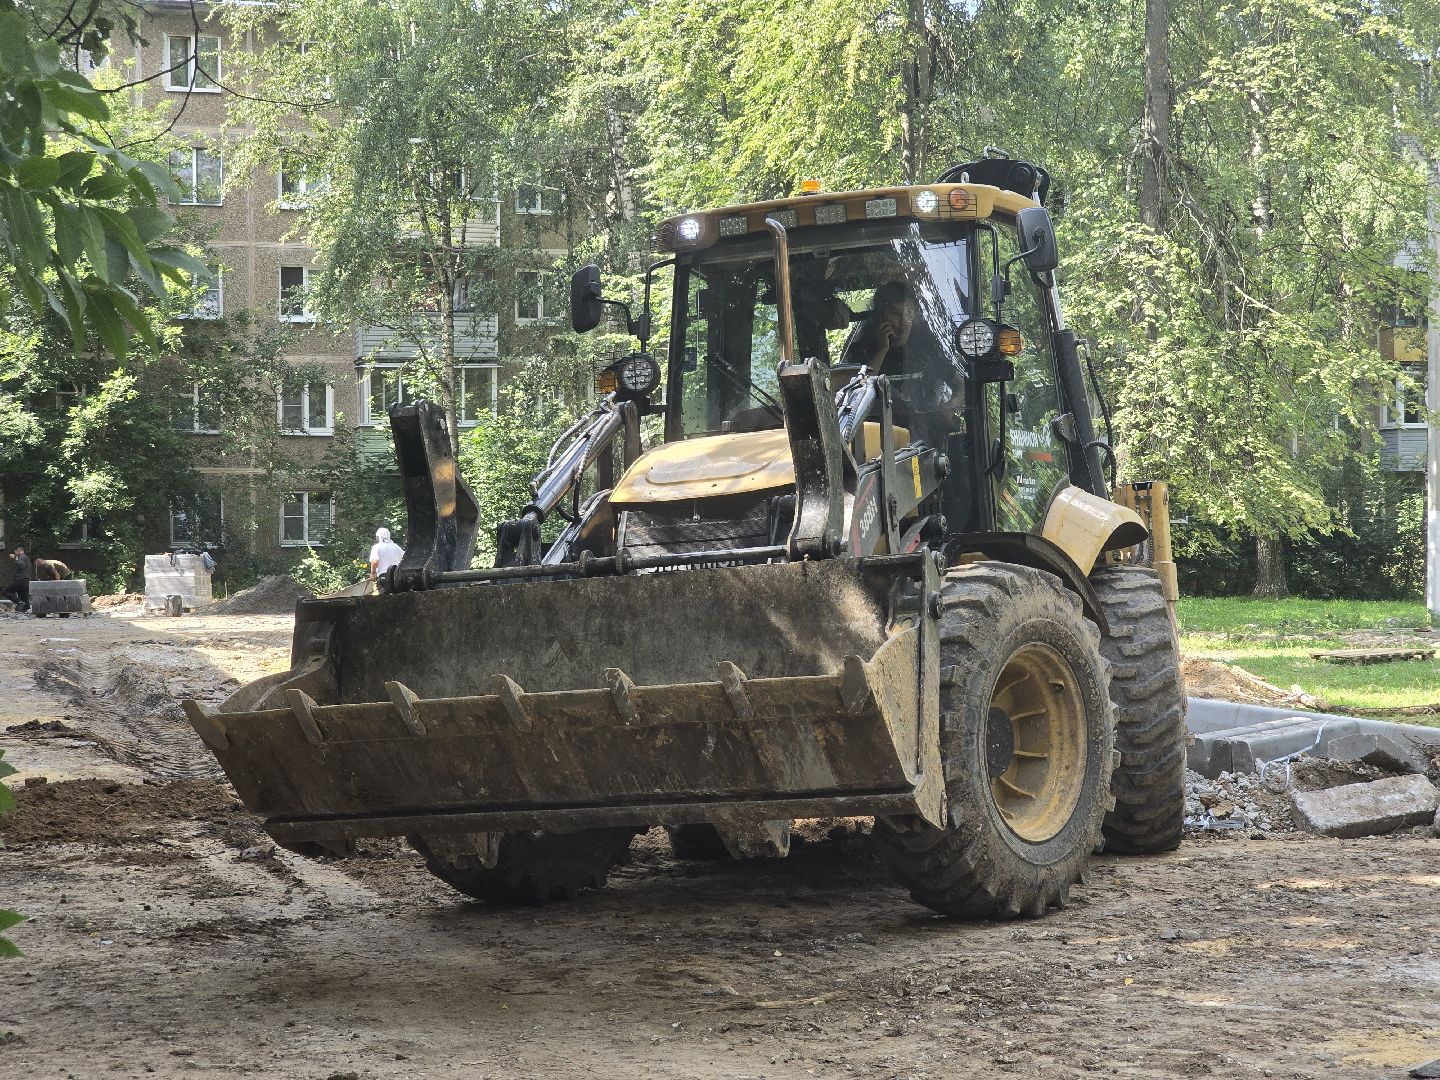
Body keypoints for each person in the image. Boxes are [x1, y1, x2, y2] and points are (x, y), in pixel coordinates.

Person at [838, 281, 917, 377]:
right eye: (895, 313)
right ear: (880, 316)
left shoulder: (924, 347)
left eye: (909, 312)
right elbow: (858, 387)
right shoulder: (858, 352)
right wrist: (882, 350)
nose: (904, 321)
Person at [3, 544, 31, 612]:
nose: (15, 553)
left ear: (17, 551)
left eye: (15, 551)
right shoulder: (26, 558)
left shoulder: (21, 556)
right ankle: (26, 610)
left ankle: (19, 602)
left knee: (6, 591)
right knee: (23, 596)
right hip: (26, 580)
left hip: (20, 580)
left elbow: (21, 565)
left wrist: (14, 558)